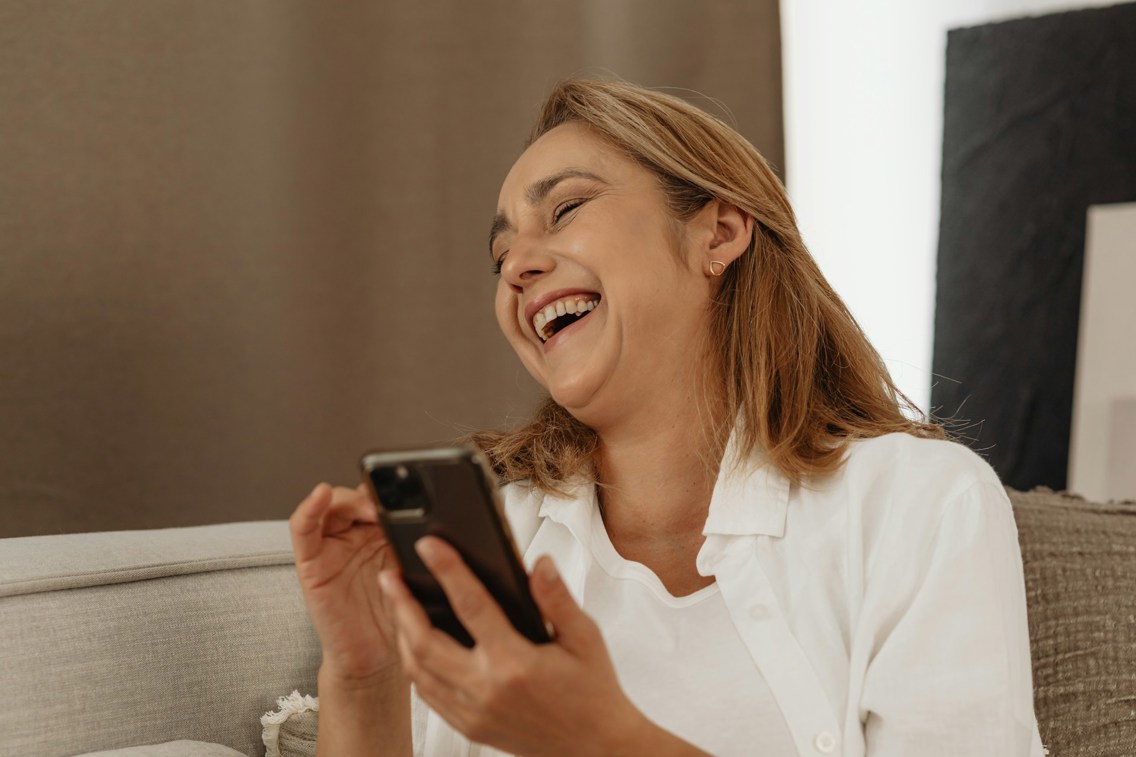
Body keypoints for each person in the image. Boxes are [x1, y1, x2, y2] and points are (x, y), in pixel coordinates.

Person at [289, 78, 1045, 757]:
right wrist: (366, 679)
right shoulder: (490, 538)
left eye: (567, 209)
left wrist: (601, 739)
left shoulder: (919, 504)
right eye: (501, 256)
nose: (518, 264)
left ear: (717, 232)